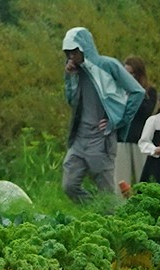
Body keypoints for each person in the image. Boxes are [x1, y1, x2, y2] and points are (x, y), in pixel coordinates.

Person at [60, 27, 145, 202]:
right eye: (68, 53)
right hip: (79, 139)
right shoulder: (75, 72)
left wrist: (118, 121)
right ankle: (94, 211)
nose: (71, 57)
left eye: (74, 52)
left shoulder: (108, 65)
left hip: (101, 139)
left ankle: (111, 221)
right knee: (69, 185)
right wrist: (70, 78)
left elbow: (137, 92)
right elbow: (72, 102)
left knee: (106, 194)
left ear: (84, 48)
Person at [117, 56, 157, 188]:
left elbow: (146, 112)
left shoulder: (149, 92)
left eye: (131, 73)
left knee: (143, 179)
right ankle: (120, 207)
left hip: (141, 140)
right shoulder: (119, 91)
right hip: (121, 139)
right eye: (125, 73)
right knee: (121, 180)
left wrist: (135, 94)